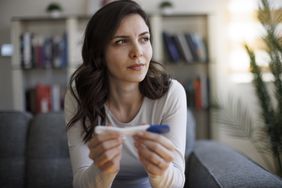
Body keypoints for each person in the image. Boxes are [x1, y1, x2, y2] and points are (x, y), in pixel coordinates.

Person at [64, 0, 187, 187]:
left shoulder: (171, 93)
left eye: (144, 39)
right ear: (99, 52)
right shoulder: (79, 95)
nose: (138, 52)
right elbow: (80, 182)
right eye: (121, 41)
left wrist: (159, 172)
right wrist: (103, 169)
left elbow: (177, 182)